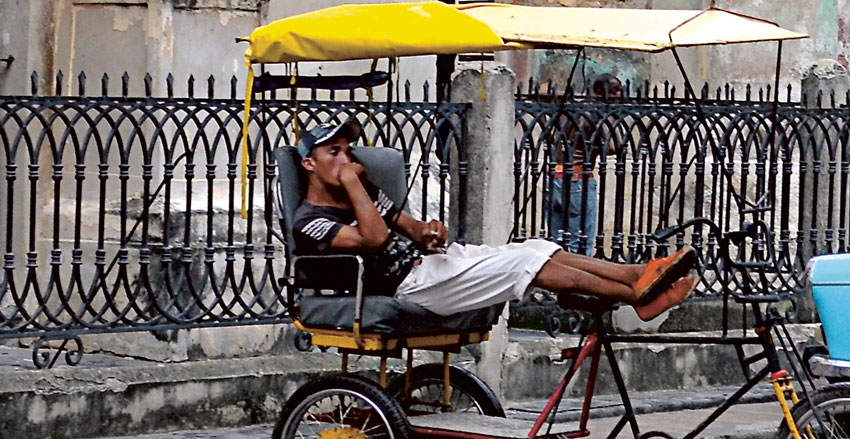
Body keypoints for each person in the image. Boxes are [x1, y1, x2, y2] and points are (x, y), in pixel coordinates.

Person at [291, 116, 699, 320]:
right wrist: (354, 183)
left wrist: (430, 231)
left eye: (349, 151)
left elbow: (408, 228)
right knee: (526, 264)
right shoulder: (309, 220)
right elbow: (375, 239)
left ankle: (636, 274)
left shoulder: (364, 197)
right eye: (335, 153)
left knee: (538, 248)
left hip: (434, 264)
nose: (347, 160)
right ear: (310, 163)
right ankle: (637, 298)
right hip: (409, 287)